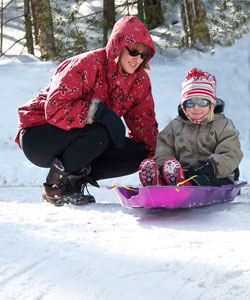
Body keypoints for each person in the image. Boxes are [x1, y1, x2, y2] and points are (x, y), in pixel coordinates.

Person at [15, 16, 158, 206]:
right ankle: (55, 186)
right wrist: (98, 111)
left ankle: (75, 181)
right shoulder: (87, 64)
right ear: (118, 45)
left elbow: (145, 128)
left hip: (83, 137)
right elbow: (55, 109)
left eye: (144, 55)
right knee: (100, 132)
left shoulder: (139, 81)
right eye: (133, 52)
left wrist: (161, 162)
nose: (138, 59)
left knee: (137, 154)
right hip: (39, 135)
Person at [139, 67, 243, 187]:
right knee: (174, 174)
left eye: (202, 103)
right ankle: (160, 182)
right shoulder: (174, 126)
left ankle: (186, 185)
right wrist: (166, 166)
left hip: (216, 174)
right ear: (183, 106)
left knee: (203, 181)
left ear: (211, 105)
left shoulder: (223, 125)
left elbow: (231, 154)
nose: (196, 108)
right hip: (182, 173)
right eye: (190, 103)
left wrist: (209, 168)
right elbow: (164, 149)